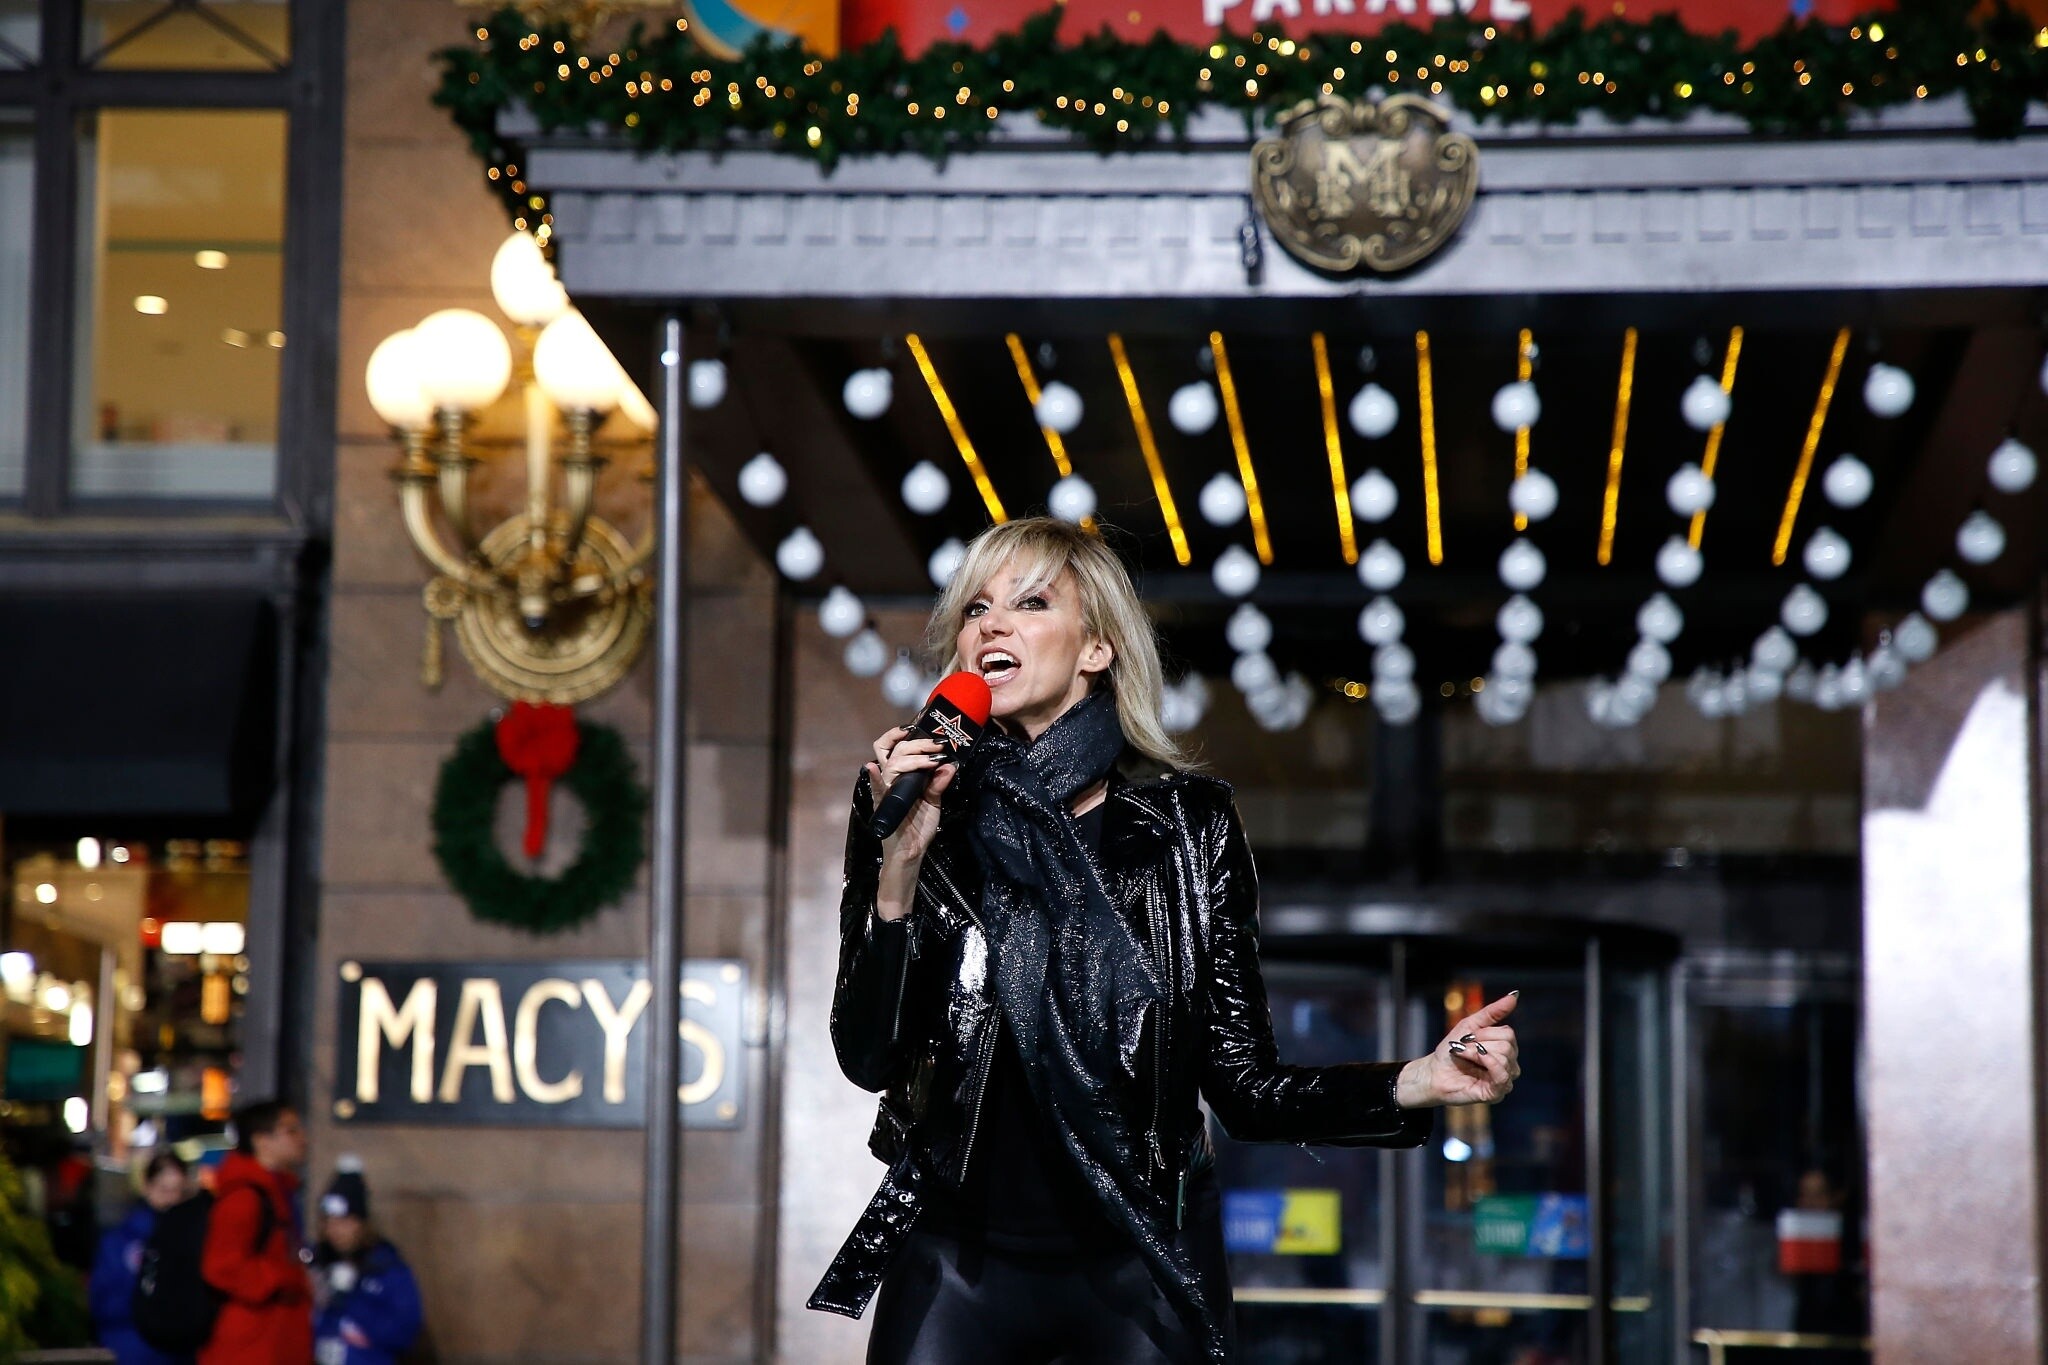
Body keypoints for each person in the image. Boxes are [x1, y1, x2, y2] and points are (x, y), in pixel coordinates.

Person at [808, 517, 1523, 1364]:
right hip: (956, 1260)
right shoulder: (915, 810)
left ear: (1097, 648)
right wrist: (898, 867)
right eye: (975, 608)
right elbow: (868, 1056)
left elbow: (1244, 1086)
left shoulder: (1187, 830)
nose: (991, 624)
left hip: (1136, 1264)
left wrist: (1417, 1080)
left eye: (1030, 603)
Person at [201, 1101, 312, 1365]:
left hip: (273, 1337)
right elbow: (221, 1267)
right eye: (291, 1131)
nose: (302, 1139)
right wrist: (285, 1278)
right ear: (262, 1141)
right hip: (252, 1343)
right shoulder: (245, 1196)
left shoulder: (278, 1191)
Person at [309, 1156, 422, 1365]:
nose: (335, 1230)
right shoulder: (316, 1264)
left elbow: (403, 1333)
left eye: (344, 1221)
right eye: (329, 1221)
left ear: (361, 1223)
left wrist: (351, 1297)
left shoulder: (387, 1268)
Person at [89, 1151, 192, 1365]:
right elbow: (104, 1301)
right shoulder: (119, 1241)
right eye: (164, 1190)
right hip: (132, 1348)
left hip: (177, 1351)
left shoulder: (191, 1237)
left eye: (178, 1191)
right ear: (147, 1186)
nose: (171, 1199)